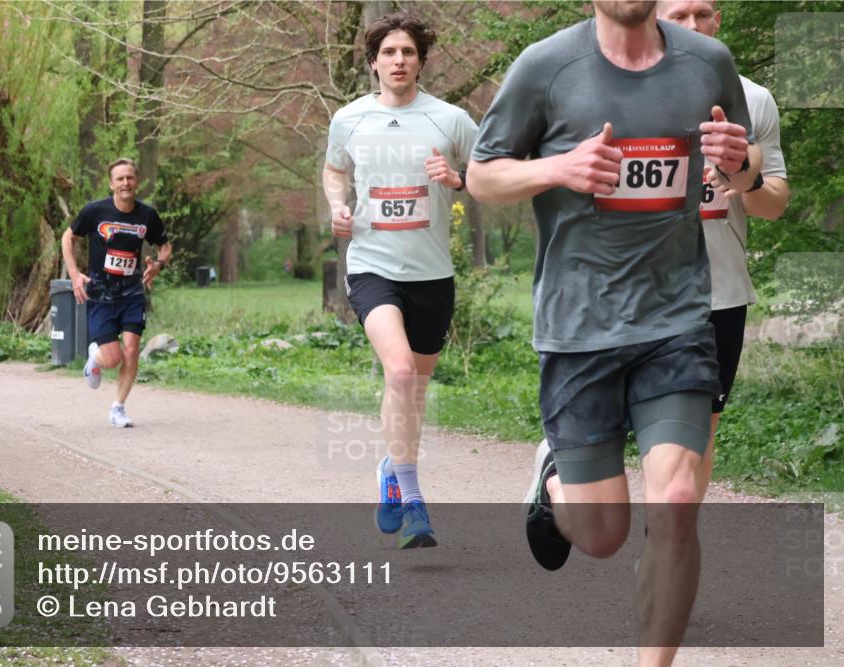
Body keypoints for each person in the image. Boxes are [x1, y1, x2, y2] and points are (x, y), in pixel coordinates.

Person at [467, 1, 760, 663]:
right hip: (578, 328)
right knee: (601, 534)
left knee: (678, 499)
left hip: (677, 317)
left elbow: (741, 168)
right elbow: (481, 174)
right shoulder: (546, 67)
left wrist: (740, 165)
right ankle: (553, 480)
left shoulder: (708, 63)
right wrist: (556, 169)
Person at [323, 12, 478, 549]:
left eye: (408, 52)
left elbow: (490, 173)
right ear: (373, 62)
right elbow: (335, 169)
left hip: (433, 273)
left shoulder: (450, 119)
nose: (399, 60)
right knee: (400, 369)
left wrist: (458, 179)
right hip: (372, 266)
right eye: (389, 52)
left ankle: (392, 466)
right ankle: (413, 501)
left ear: (421, 61)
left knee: (412, 391)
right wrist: (338, 206)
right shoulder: (349, 119)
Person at [657, 0, 790, 500]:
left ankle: (667, 544)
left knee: (697, 431)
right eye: (679, 16)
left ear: (718, 21)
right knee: (607, 423)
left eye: (704, 14)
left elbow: (774, 203)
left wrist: (744, 179)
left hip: (717, 293)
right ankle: (559, 463)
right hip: (628, 289)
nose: (694, 26)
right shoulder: (616, 88)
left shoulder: (751, 99)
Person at [61, 158, 171, 428]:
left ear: (137, 182)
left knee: (132, 350)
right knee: (113, 358)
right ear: (111, 184)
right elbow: (68, 237)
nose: (125, 183)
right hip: (100, 294)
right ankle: (95, 358)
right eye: (120, 179)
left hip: (132, 293)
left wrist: (157, 265)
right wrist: (75, 275)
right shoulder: (94, 211)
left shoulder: (147, 216)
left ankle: (118, 407)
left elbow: (165, 247)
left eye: (129, 178)